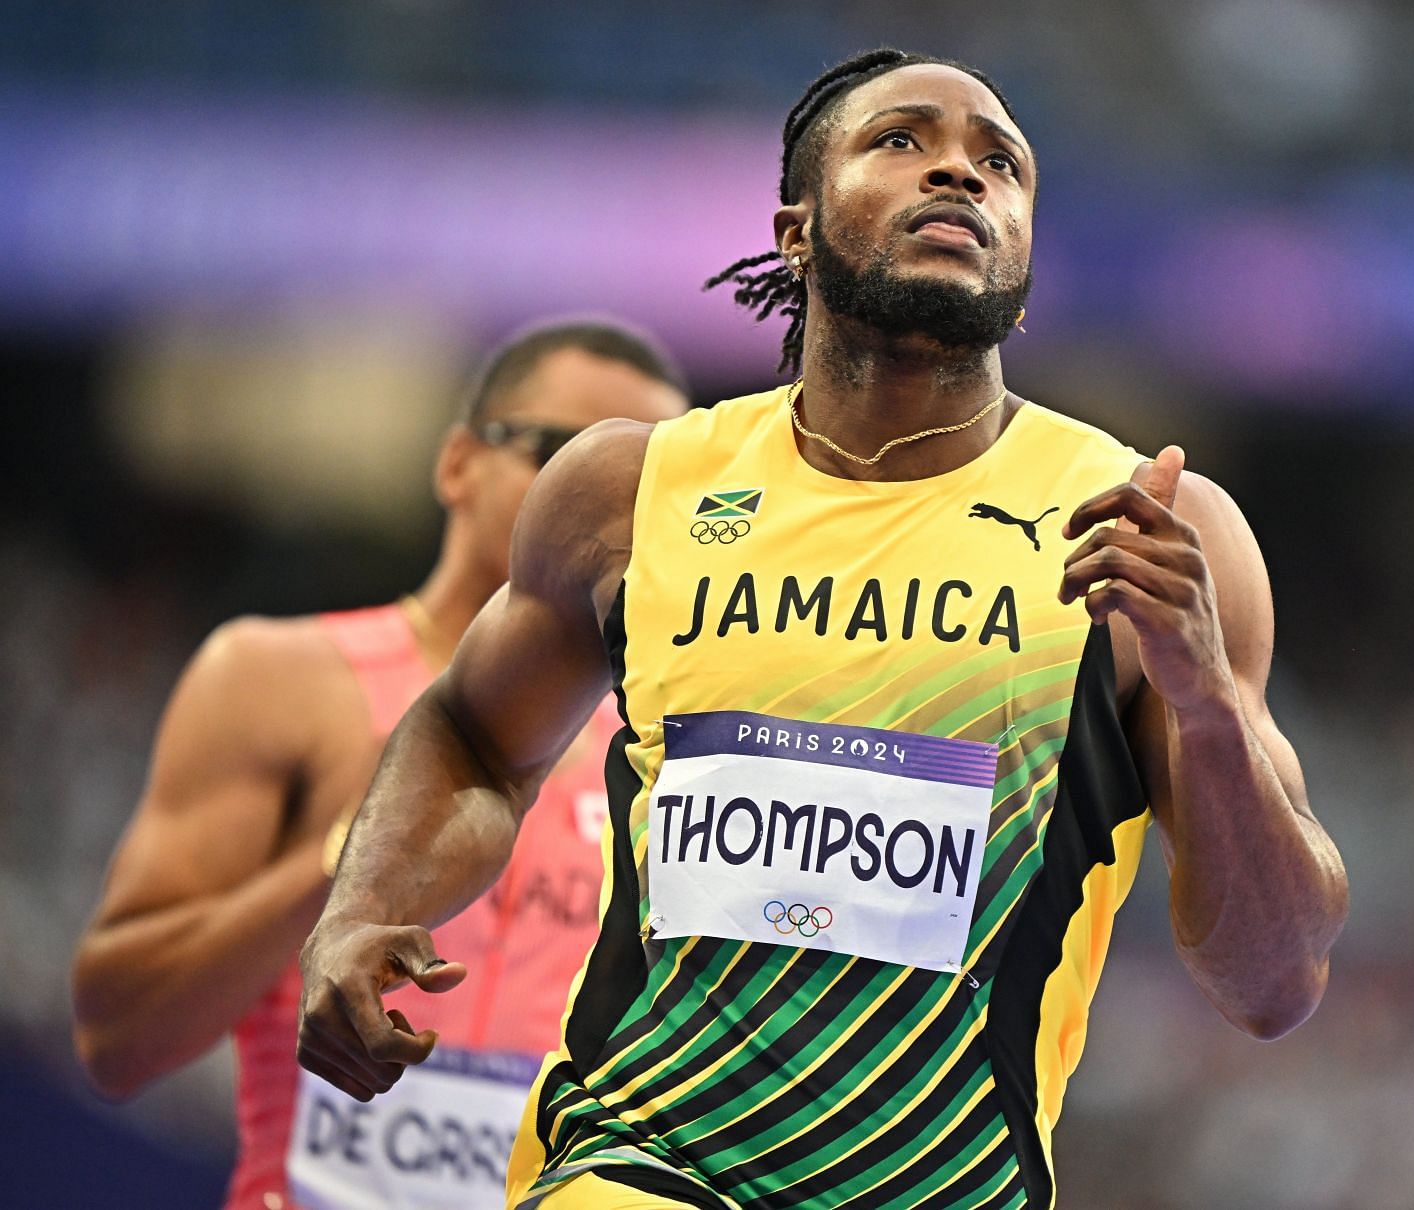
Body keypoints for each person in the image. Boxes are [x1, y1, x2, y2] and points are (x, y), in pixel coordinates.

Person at [297, 49, 1349, 1210]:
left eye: (1001, 164)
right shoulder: (632, 493)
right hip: (639, 1164)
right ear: (795, 231)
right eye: (901, 141)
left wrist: (1205, 705)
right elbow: (473, 735)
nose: (960, 171)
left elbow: (1273, 980)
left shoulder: (1148, 527)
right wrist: (362, 910)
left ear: (1025, 262)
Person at [71, 320, 691, 1210]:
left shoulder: (665, 736)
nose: (599, 502)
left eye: (651, 490)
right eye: (558, 454)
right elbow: (118, 1040)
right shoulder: (278, 681)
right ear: (456, 465)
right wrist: (351, 862)